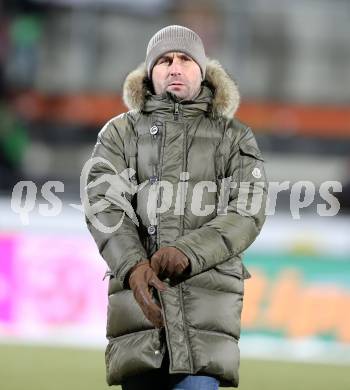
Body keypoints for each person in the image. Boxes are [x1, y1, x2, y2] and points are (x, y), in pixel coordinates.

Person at [84, 25, 267, 389]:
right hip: (139, 314)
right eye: (165, 60)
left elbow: (248, 210)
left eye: (185, 59)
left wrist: (187, 252)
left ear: (203, 70)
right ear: (150, 72)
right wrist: (133, 266)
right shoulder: (119, 133)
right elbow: (104, 204)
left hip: (205, 317)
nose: (175, 67)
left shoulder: (235, 137)